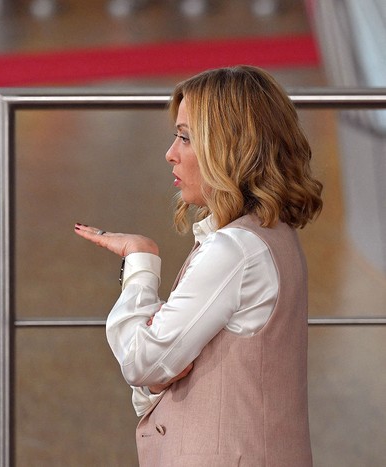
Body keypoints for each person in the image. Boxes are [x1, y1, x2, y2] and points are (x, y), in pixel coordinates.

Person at [74, 65, 322, 466]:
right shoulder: (273, 235)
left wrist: (140, 262)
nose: (170, 152)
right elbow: (160, 373)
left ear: (231, 147)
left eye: (186, 137)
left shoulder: (234, 251)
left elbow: (142, 361)